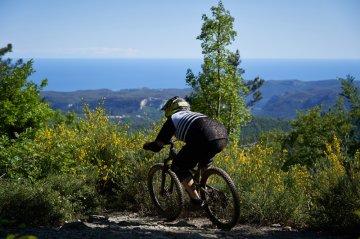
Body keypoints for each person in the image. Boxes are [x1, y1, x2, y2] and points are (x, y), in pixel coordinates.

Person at [143, 96, 228, 205]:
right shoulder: (194, 114)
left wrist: (148, 145)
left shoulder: (173, 118)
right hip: (221, 136)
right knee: (204, 164)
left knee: (179, 166)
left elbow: (158, 145)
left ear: (171, 108)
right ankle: (207, 192)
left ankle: (196, 199)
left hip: (203, 137)